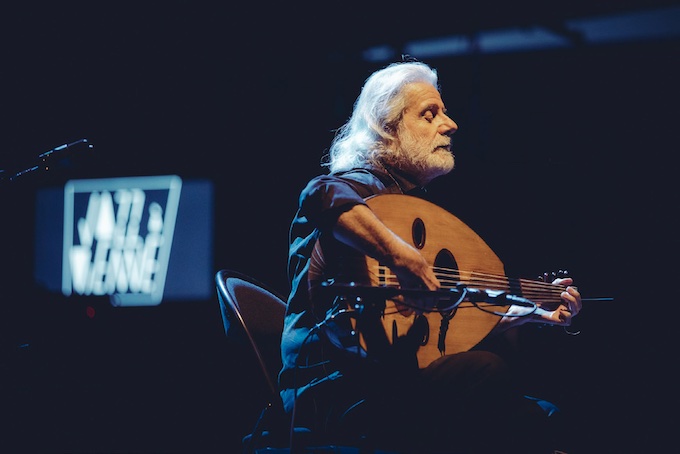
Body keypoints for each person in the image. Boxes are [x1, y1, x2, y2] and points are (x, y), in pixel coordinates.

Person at [278, 59, 582, 454]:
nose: (450, 123)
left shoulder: (404, 205)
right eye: (429, 114)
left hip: (386, 384)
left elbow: (442, 323)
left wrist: (531, 312)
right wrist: (405, 259)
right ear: (388, 129)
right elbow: (318, 194)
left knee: (541, 415)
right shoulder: (358, 186)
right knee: (485, 376)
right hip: (332, 393)